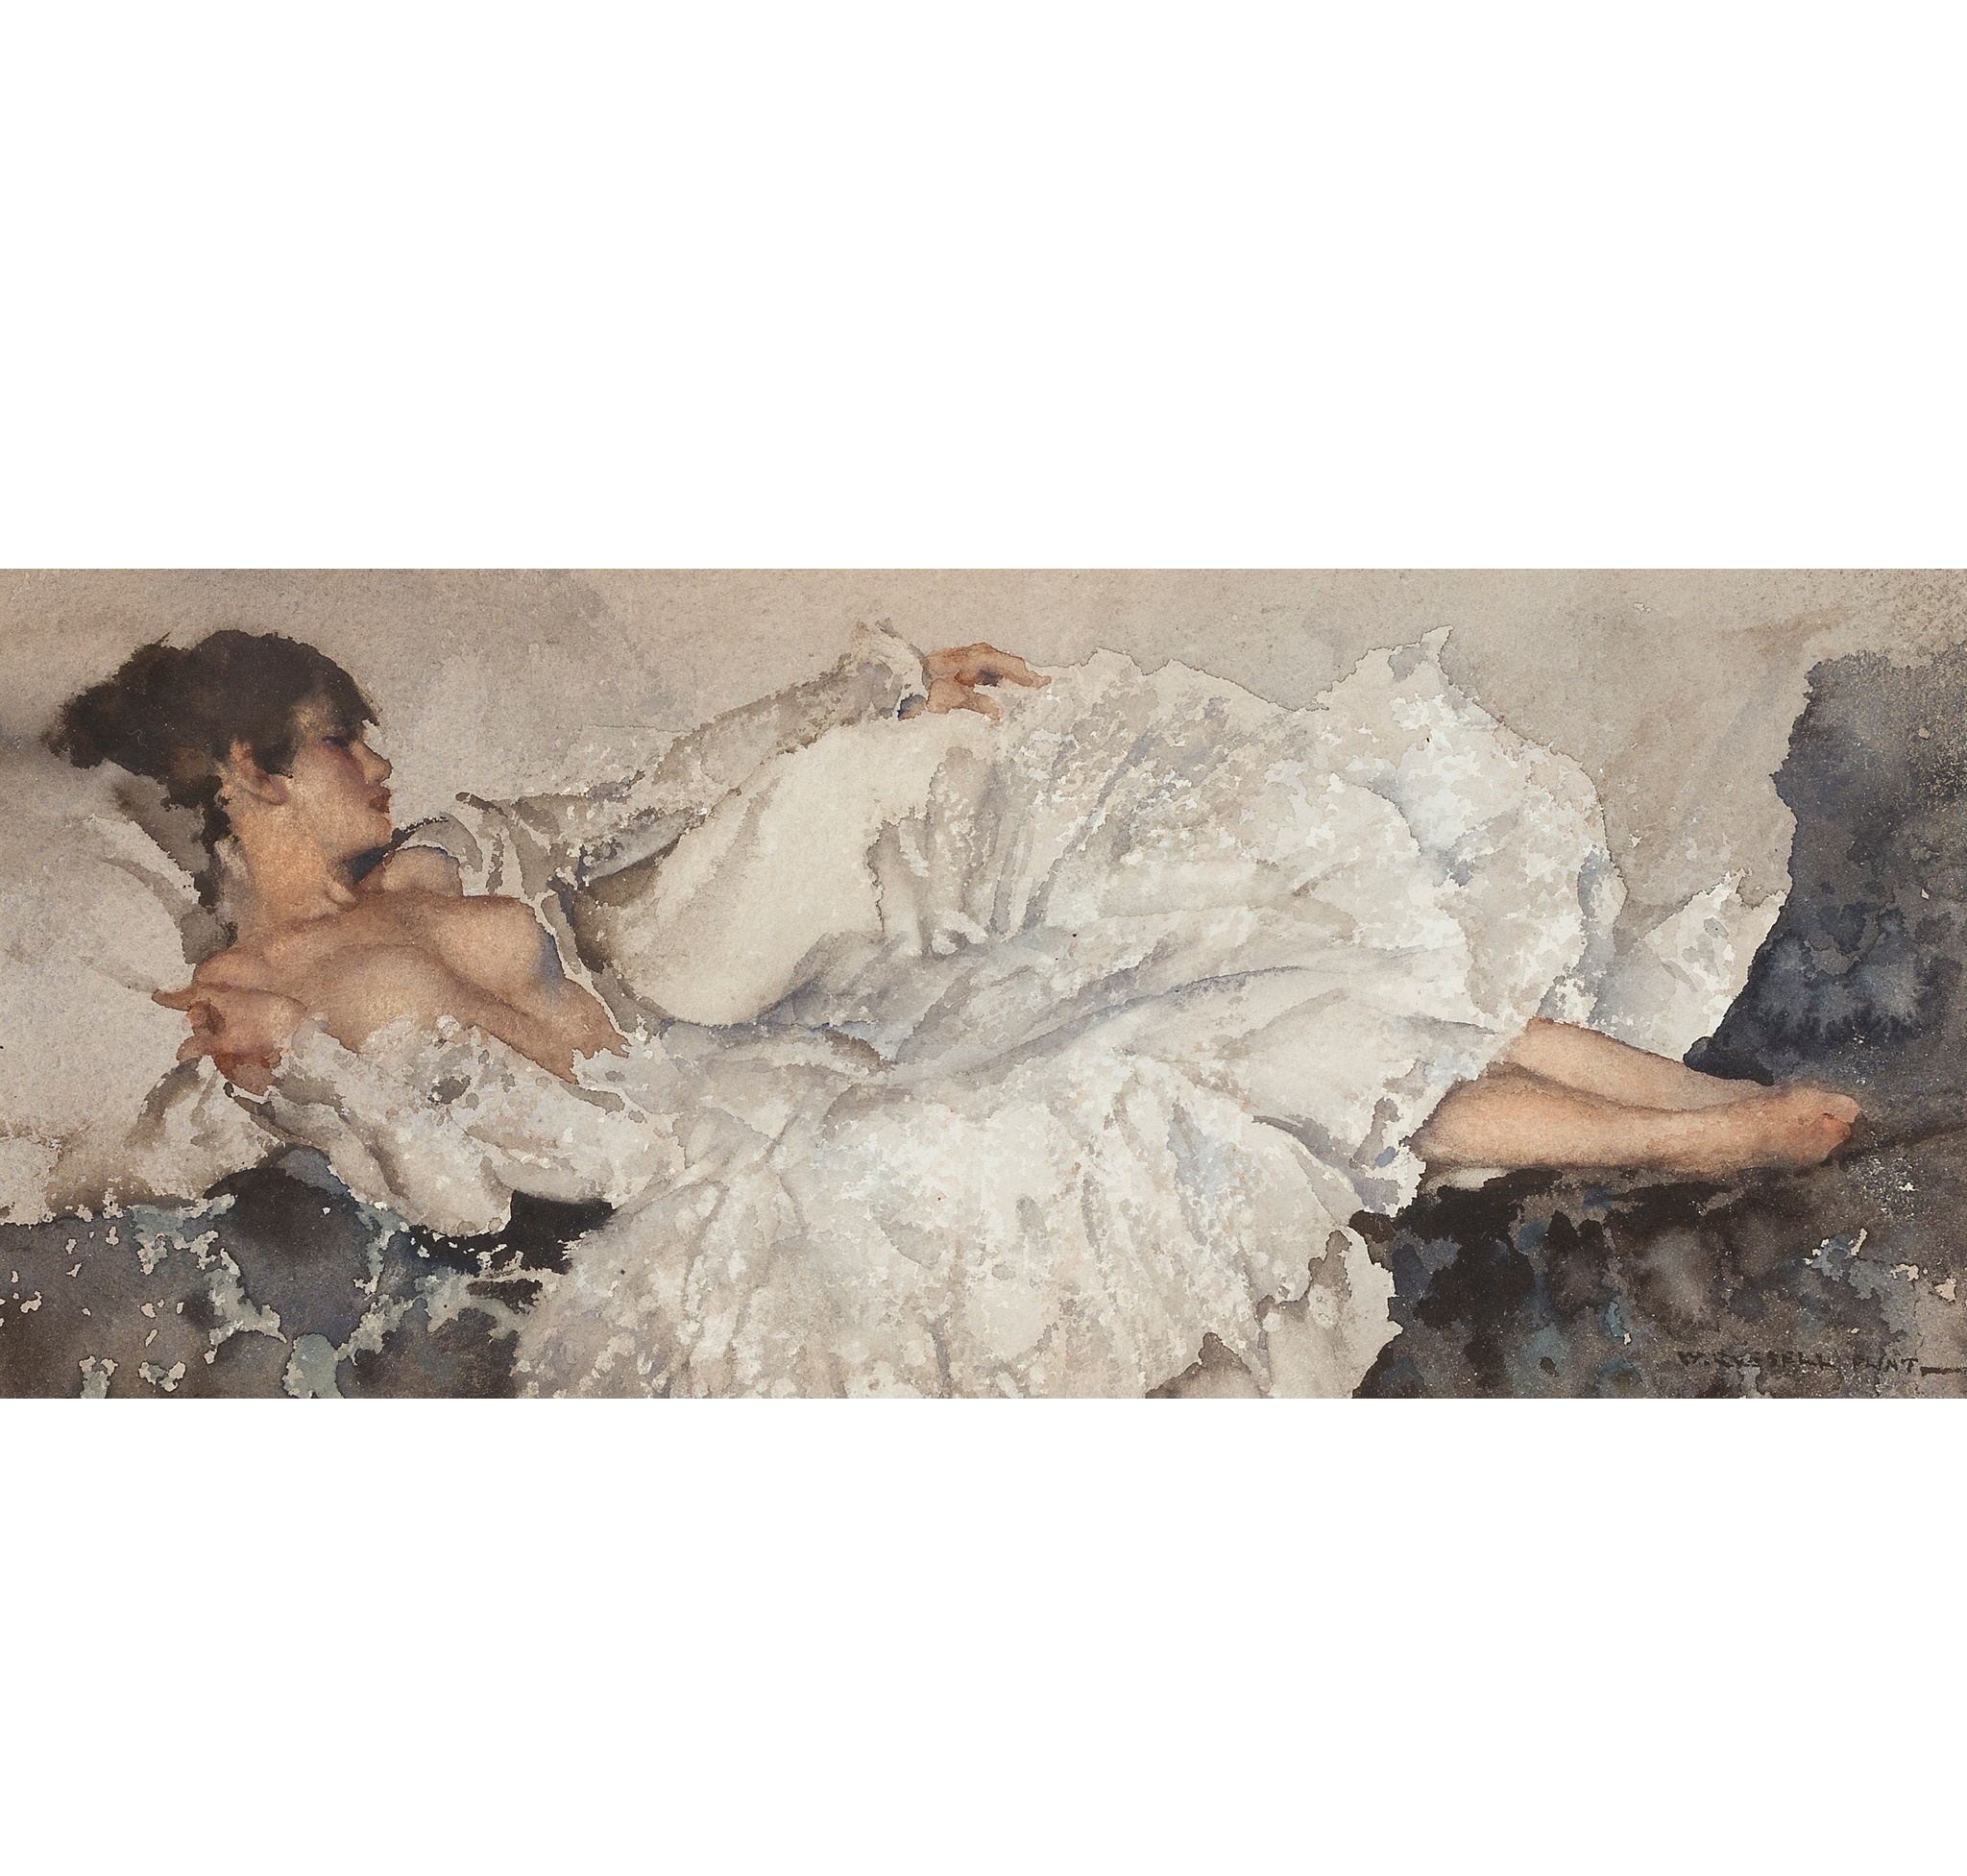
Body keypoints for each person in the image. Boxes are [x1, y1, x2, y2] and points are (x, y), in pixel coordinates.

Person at [51, 628, 1857, 1181]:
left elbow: (655, 794)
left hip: (772, 1015)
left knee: (1224, 965)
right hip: (728, 1118)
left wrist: (876, 690)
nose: (377, 757)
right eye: (336, 740)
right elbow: (313, 1141)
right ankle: (1692, 1141)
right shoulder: (256, 998)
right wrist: (267, 1079)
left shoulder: (447, 852)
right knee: (1197, 1065)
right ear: (247, 778)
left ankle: (1705, 1109)